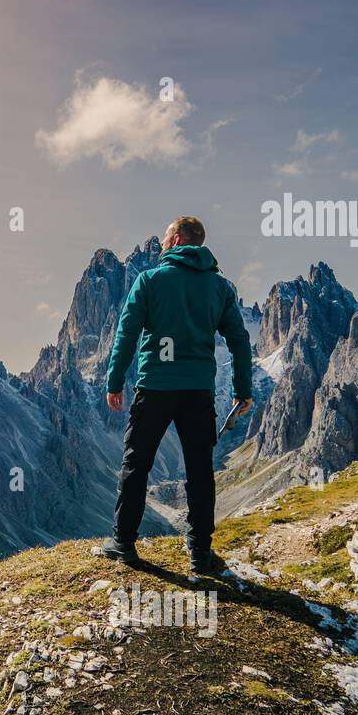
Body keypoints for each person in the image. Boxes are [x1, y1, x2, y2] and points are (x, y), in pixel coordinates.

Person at [99, 216, 253, 574]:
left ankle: (122, 542)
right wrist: (242, 391)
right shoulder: (221, 287)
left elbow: (127, 334)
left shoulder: (150, 281)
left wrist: (114, 380)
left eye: (167, 237)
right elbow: (239, 341)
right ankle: (200, 552)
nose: (163, 242)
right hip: (198, 390)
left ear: (179, 239)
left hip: (154, 387)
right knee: (200, 470)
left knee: (137, 464)